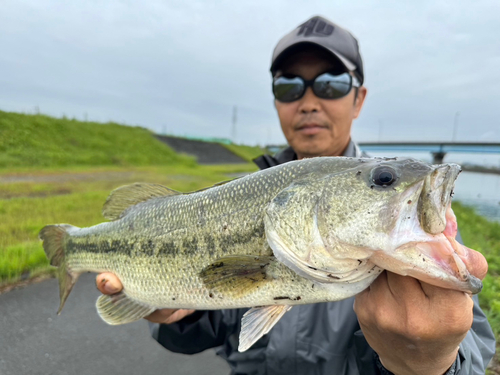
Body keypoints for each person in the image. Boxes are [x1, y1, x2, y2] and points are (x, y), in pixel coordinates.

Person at [96, 16, 495, 375]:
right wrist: (174, 312)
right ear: (275, 101)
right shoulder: (237, 197)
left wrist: (432, 364)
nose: (308, 101)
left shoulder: (407, 227)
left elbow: (476, 348)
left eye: (331, 83)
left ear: (359, 99)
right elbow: (201, 333)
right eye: (289, 85)